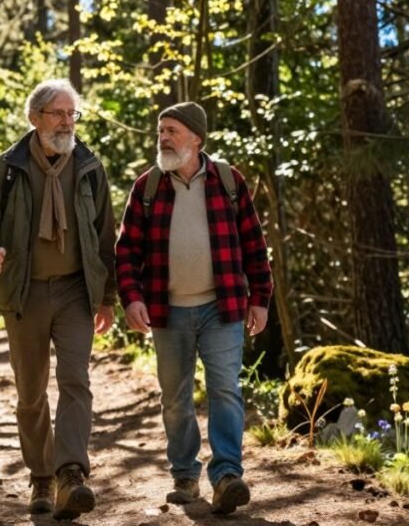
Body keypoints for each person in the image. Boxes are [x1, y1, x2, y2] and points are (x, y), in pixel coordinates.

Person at [0, 79, 117, 520]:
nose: (68, 122)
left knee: (75, 381)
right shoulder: (9, 168)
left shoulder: (89, 166)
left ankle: (71, 474)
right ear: (35, 118)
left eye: (73, 114)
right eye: (59, 114)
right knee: (31, 393)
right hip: (23, 291)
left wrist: (106, 298)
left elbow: (105, 237)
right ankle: (42, 476)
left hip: (75, 290)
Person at [115, 101, 273, 515]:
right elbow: (126, 250)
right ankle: (185, 475)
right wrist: (131, 296)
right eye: (160, 131)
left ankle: (226, 476)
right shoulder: (148, 187)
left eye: (172, 131)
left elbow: (255, 246)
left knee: (225, 389)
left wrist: (260, 299)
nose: (163, 138)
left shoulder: (227, 180)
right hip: (168, 313)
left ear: (197, 138)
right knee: (175, 398)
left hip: (221, 309)